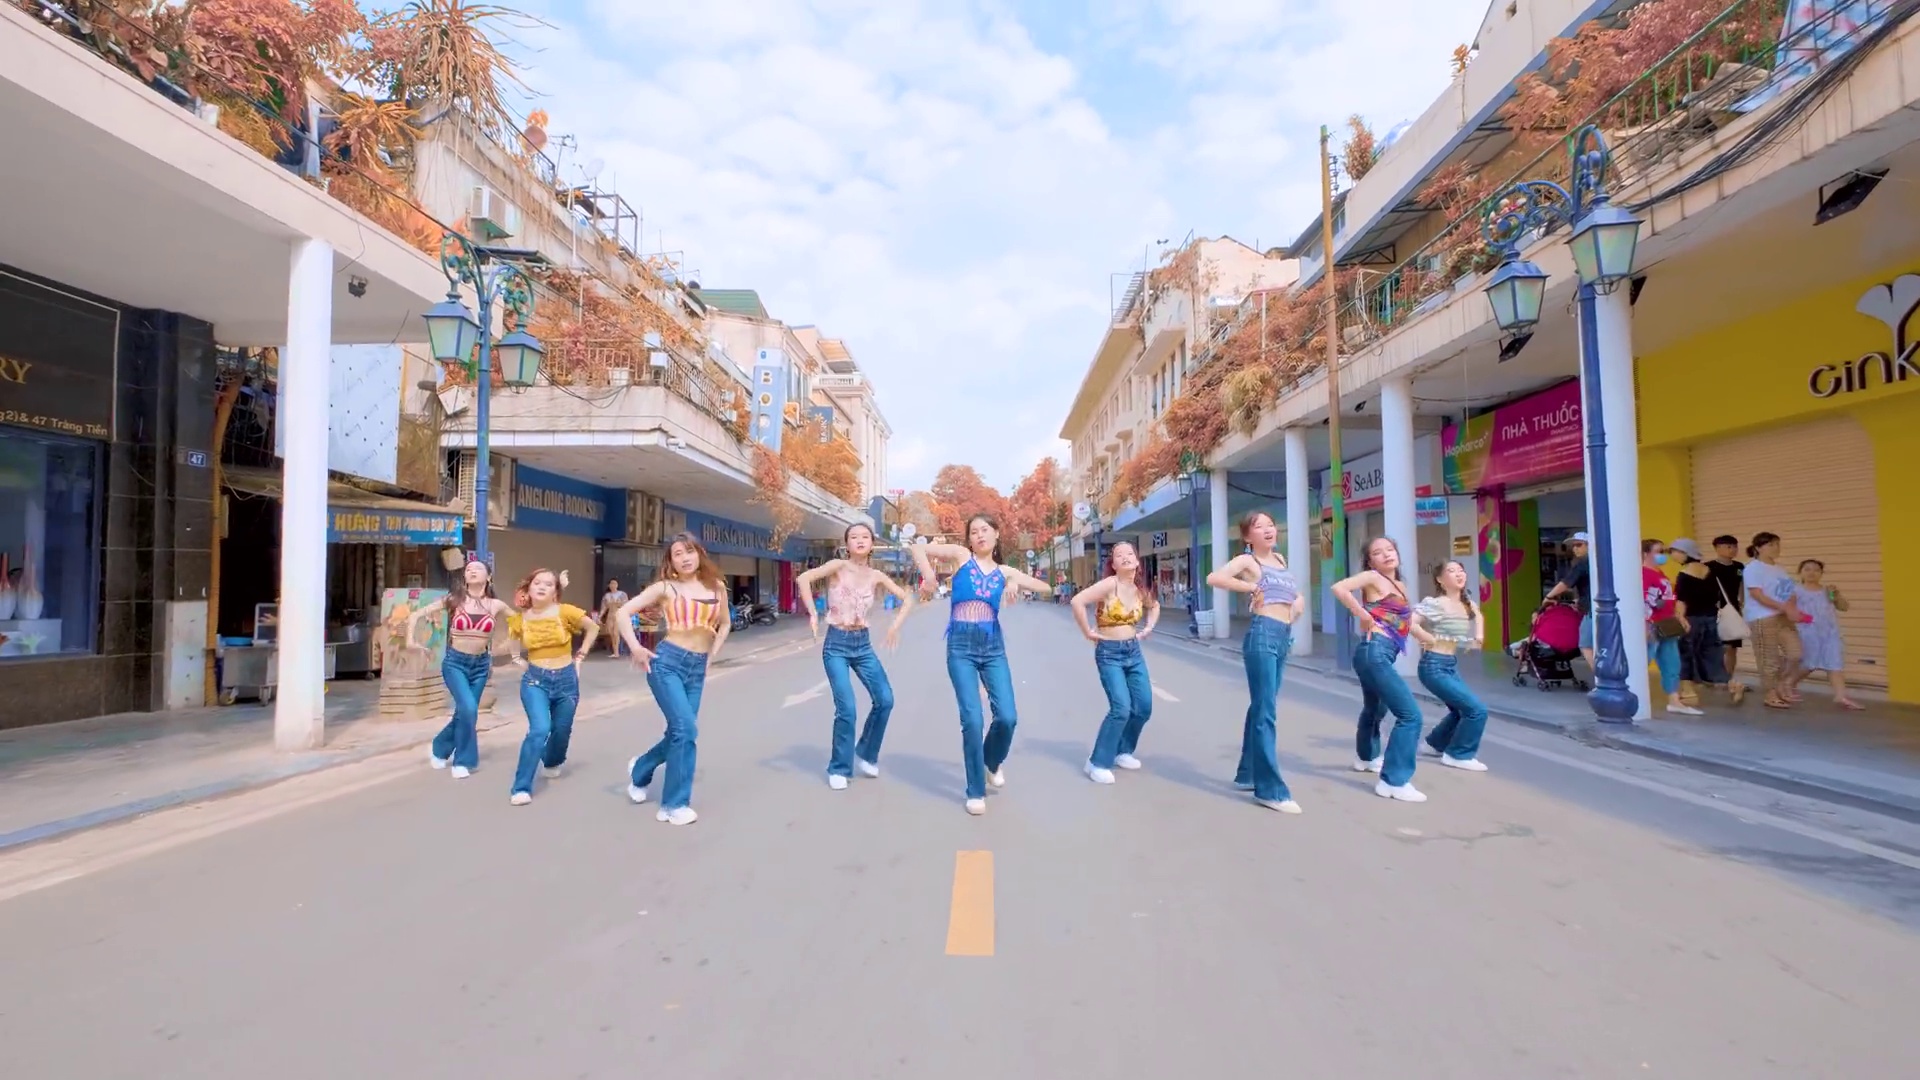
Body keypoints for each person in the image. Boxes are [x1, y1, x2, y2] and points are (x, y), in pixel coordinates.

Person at [909, 514, 1055, 816]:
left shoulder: (1004, 571)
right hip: (960, 647)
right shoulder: (961, 557)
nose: (979, 535)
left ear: (997, 534)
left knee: (1008, 717)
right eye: (974, 531)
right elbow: (917, 548)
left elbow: (1047, 588)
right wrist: (930, 577)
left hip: (992, 648)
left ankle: (991, 761)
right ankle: (975, 791)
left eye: (985, 530)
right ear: (969, 539)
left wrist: (1013, 580)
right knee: (972, 720)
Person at [616, 533, 732, 826]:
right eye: (677, 554)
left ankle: (641, 768)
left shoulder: (717, 587)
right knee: (686, 729)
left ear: (699, 553)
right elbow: (622, 613)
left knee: (680, 732)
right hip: (667, 663)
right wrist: (636, 648)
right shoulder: (665, 587)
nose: (685, 558)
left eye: (689, 551)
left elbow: (725, 623)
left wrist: (711, 655)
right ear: (671, 561)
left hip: (697, 668)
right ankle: (673, 805)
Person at [796, 523, 915, 790]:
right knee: (847, 709)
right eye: (853, 537)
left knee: (885, 699)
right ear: (847, 544)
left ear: (872, 543)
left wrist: (894, 627)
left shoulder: (876, 575)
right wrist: (813, 613)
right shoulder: (837, 566)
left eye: (864, 537)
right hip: (836, 644)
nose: (859, 541)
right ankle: (839, 767)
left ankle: (867, 754)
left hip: (863, 645)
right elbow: (803, 579)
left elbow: (908, 599)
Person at [1206, 511, 1306, 814]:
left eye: (1270, 525)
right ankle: (1270, 790)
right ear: (1248, 536)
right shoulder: (1248, 561)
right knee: (1266, 711)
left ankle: (1247, 774)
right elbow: (1215, 578)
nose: (1268, 530)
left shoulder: (1281, 560)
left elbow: (1294, 594)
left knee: (1261, 706)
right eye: (1259, 527)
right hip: (1262, 634)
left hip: (1282, 635)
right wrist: (1250, 588)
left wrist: (1298, 605)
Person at [1332, 537, 1436, 803]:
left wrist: (1428, 639)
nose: (1387, 555)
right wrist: (1363, 615)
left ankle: (1366, 758)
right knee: (1410, 716)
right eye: (1378, 552)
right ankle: (1394, 781)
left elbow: (1404, 622)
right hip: (1374, 651)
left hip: (1378, 653)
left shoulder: (1400, 586)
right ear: (1370, 561)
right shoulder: (1372, 577)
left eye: (1390, 550)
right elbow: (1339, 588)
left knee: (1376, 708)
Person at [410, 555, 515, 780]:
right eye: (469, 569)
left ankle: (439, 748)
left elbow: (521, 624)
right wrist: (412, 642)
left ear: (489, 577)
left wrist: (507, 646)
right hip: (455, 663)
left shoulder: (496, 605)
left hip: (481, 665)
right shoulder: (454, 600)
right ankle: (463, 761)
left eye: (478, 568)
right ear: (465, 577)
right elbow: (416, 615)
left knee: (466, 712)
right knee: (468, 708)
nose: (472, 571)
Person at [1070, 542, 1160, 786]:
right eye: (1119, 555)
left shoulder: (1139, 588)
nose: (1125, 557)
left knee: (1143, 707)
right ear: (1114, 564)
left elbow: (1154, 606)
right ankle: (1097, 763)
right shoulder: (1110, 584)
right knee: (1121, 708)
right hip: (1109, 653)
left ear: (1137, 561)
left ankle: (1123, 751)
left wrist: (1149, 627)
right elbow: (1077, 601)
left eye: (1130, 553)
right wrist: (1087, 631)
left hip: (1133, 651)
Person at [503, 568, 595, 805]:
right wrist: (517, 660)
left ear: (555, 592)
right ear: (529, 589)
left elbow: (592, 627)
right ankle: (521, 787)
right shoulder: (520, 619)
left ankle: (552, 760)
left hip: (566, 681)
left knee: (561, 730)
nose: (541, 587)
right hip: (535, 681)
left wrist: (580, 657)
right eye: (537, 583)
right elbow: (513, 642)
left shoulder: (565, 611)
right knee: (540, 729)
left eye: (548, 584)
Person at [1412, 561, 1491, 770]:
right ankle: (1458, 755)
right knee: (1476, 710)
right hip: (1433, 666)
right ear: (1440, 579)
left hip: (1449, 664)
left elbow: (1479, 616)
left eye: (1461, 570)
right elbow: (1410, 622)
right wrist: (1426, 637)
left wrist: (1479, 636)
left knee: (1460, 710)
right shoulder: (1436, 603)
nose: (1459, 574)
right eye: (1451, 571)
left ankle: (1434, 744)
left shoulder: (1466, 603)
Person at [1669, 538, 1743, 706]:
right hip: (1710, 619)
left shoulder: (1685, 573)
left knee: (1686, 655)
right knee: (1712, 656)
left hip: (1691, 620)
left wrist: (1680, 618)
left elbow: (1681, 600)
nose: (1673, 555)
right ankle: (1732, 684)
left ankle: (1688, 691)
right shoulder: (1709, 571)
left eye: (1675, 551)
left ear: (1685, 553)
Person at [1741, 532, 1804, 710]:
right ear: (1758, 548)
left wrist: (1791, 608)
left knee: (1795, 654)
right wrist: (1783, 607)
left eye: (1777, 544)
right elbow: (1757, 594)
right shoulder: (1753, 568)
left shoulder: (1780, 569)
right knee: (1768, 659)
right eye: (1770, 545)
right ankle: (1770, 694)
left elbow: (1789, 592)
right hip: (1762, 617)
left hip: (1782, 618)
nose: (1776, 548)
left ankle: (1781, 685)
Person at [1792, 559, 1862, 710]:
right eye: (1807, 569)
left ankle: (1841, 696)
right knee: (1808, 664)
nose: (1811, 573)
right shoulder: (1795, 591)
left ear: (1821, 573)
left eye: (1816, 570)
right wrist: (1806, 620)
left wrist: (1836, 596)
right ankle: (1788, 685)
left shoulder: (1827, 591)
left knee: (1834, 664)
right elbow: (1789, 611)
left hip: (1830, 633)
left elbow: (1843, 607)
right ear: (1800, 572)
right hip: (1807, 633)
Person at [1643, 539, 1702, 716]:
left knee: (1671, 663)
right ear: (1646, 554)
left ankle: (1674, 700)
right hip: (1652, 624)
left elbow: (1669, 599)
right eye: (1658, 551)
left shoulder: (1660, 573)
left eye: (1664, 551)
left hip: (1666, 624)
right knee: (1644, 660)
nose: (1663, 555)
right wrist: (1644, 624)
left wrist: (1678, 617)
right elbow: (1642, 600)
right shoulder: (1643, 574)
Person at [1541, 531, 1594, 673]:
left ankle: (1601, 678)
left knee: (1585, 645)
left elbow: (1565, 583)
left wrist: (1549, 597)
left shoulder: (1583, 562)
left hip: (1591, 611)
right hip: (1595, 607)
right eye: (1573, 546)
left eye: (1579, 545)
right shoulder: (1596, 563)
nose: (1575, 548)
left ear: (1589, 545)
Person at [1707, 535, 1747, 686]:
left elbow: (1742, 586)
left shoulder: (1739, 567)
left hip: (1734, 609)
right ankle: (1715, 677)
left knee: (1732, 647)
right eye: (1728, 546)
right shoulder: (1709, 567)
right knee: (1720, 646)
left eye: (1735, 546)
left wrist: (1741, 604)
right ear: (1717, 548)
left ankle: (1728, 678)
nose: (1733, 550)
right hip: (1715, 610)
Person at [599, 579, 630, 657]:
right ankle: (615, 651)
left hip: (618, 614)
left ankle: (616, 653)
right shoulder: (607, 595)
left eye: (615, 583)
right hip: (610, 615)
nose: (613, 585)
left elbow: (626, 604)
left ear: (617, 585)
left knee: (616, 633)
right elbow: (604, 607)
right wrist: (600, 616)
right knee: (611, 633)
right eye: (611, 583)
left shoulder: (622, 594)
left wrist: (619, 604)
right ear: (609, 585)